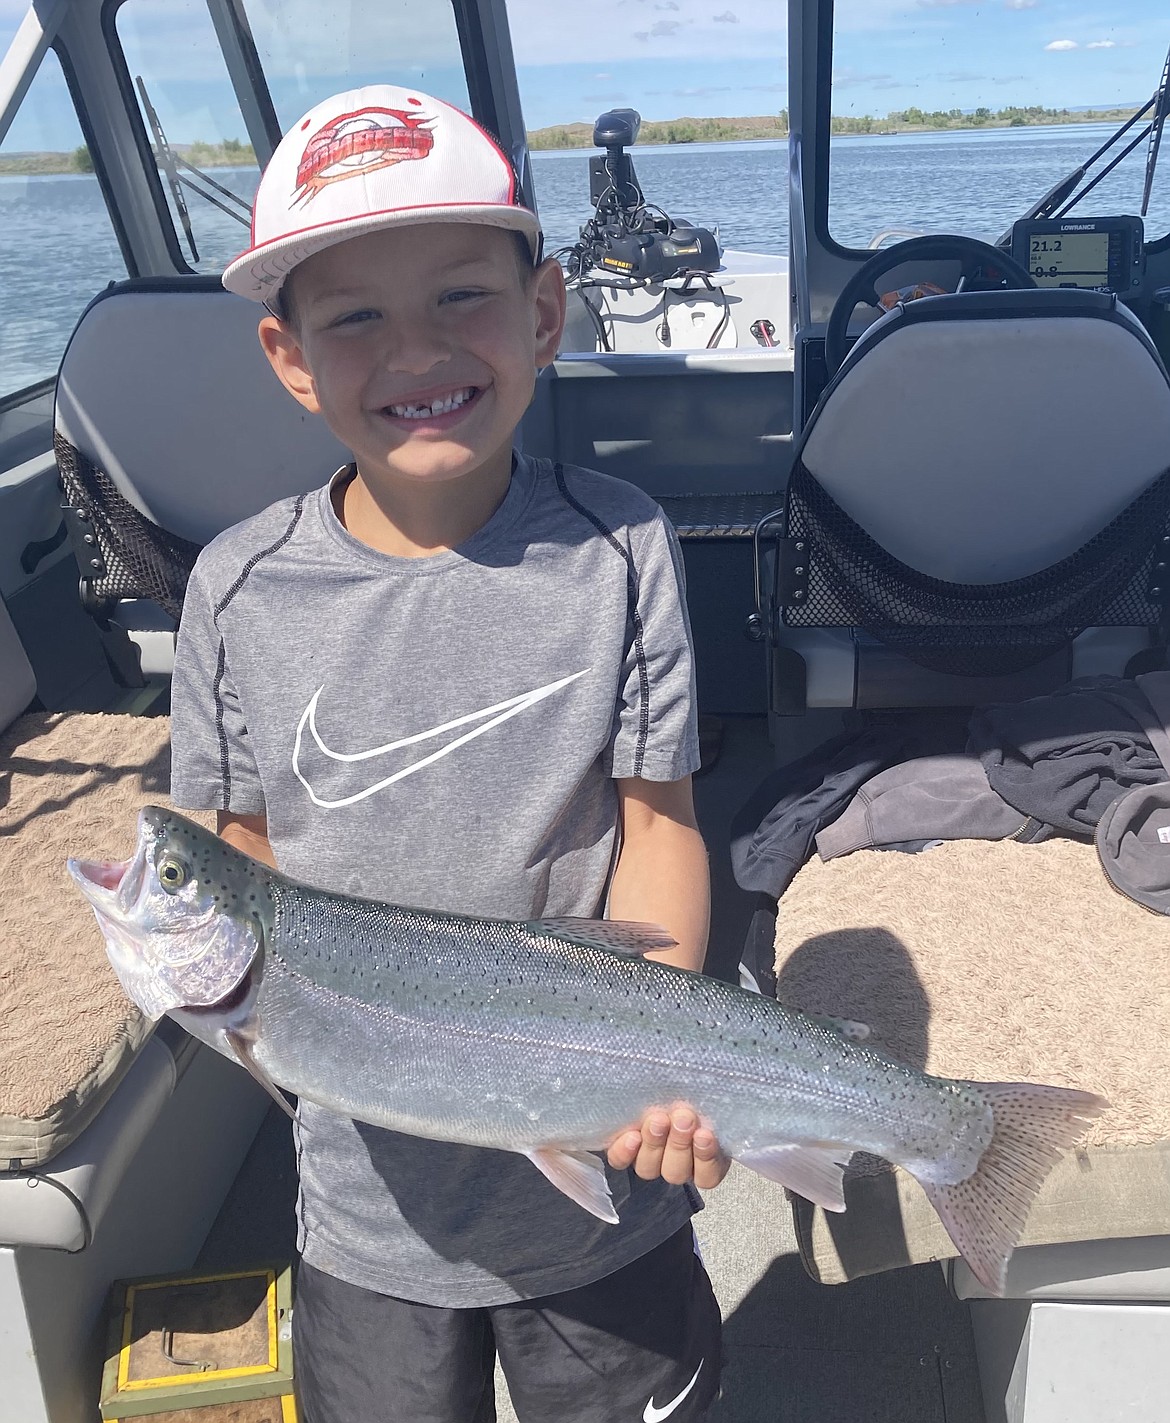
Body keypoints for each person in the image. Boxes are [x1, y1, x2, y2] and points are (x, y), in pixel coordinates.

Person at [170, 84, 726, 1423]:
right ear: (290, 357)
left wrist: (663, 1063)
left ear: (542, 316)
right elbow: (232, 850)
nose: (413, 348)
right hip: (364, 1206)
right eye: (352, 316)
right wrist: (263, 1023)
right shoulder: (235, 588)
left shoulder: (620, 544)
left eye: (460, 297)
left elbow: (657, 824)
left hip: (608, 1193)